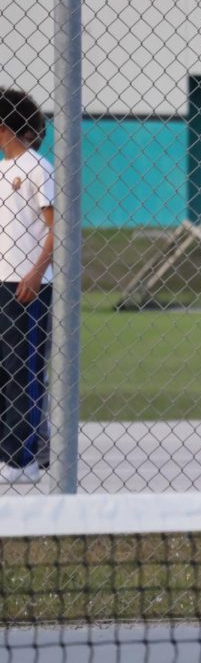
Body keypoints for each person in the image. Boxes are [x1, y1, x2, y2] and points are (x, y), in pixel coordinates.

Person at [0, 89, 54, 486]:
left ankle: (25, 460)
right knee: (5, 372)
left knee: (23, 370)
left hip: (27, 287)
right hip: (2, 281)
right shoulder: (2, 171)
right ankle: (8, 452)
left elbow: (58, 228)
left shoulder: (37, 167)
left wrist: (35, 273)